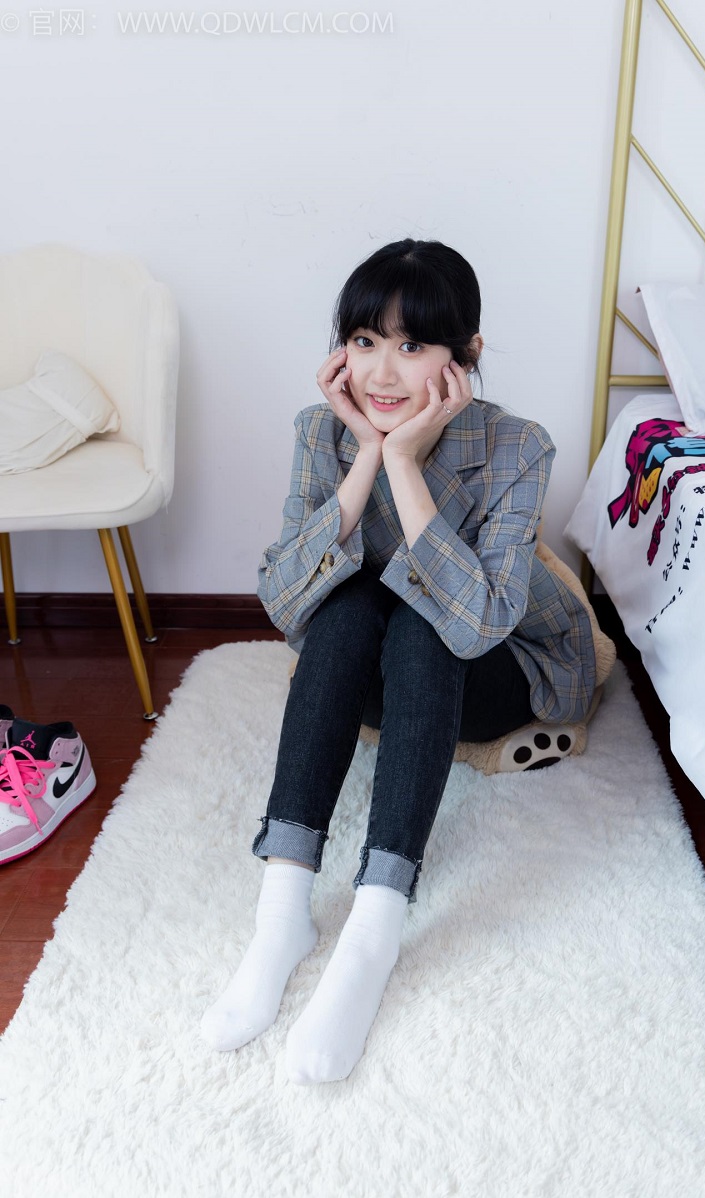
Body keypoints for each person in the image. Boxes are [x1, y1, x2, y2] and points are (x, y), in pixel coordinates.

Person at [200, 238, 597, 1083]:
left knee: (423, 616)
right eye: (364, 340)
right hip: (381, 673)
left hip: (497, 667)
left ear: (467, 355)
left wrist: (407, 460)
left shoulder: (518, 446)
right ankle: (283, 911)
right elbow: (284, 603)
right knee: (344, 610)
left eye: (413, 344)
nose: (381, 371)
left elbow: (477, 625)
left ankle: (376, 922)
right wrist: (365, 458)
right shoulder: (320, 431)